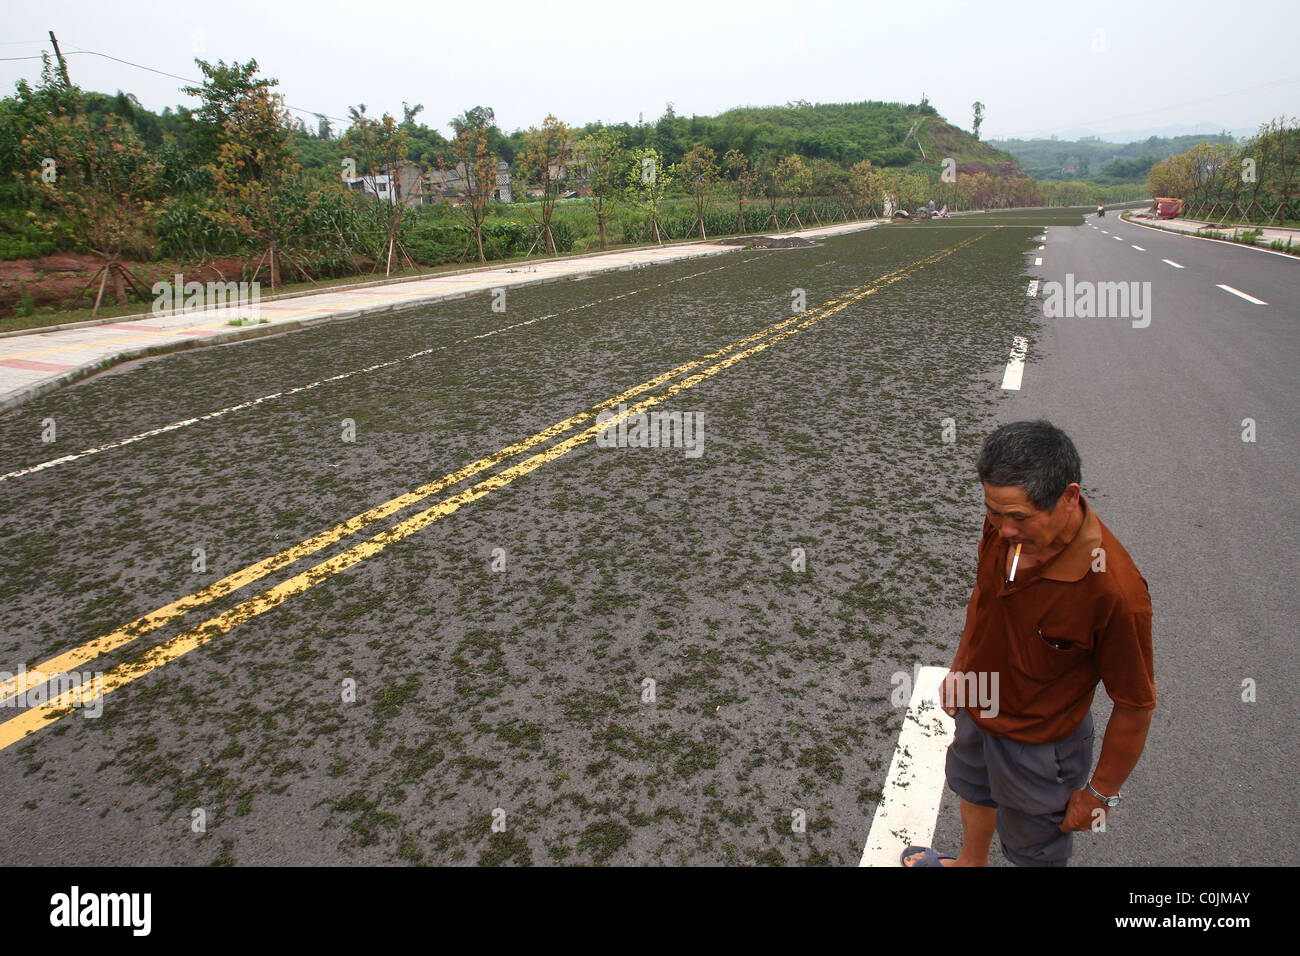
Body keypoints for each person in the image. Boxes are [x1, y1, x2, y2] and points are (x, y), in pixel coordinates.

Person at [902, 421, 1155, 867]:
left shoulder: (1114, 592)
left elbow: (1135, 704)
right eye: (993, 512)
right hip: (980, 703)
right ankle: (969, 864)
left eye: (1018, 517)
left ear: (1069, 497)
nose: (1002, 529)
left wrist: (1100, 794)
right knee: (974, 787)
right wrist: (962, 667)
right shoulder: (1004, 524)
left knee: (1034, 851)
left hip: (1038, 746)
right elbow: (984, 594)